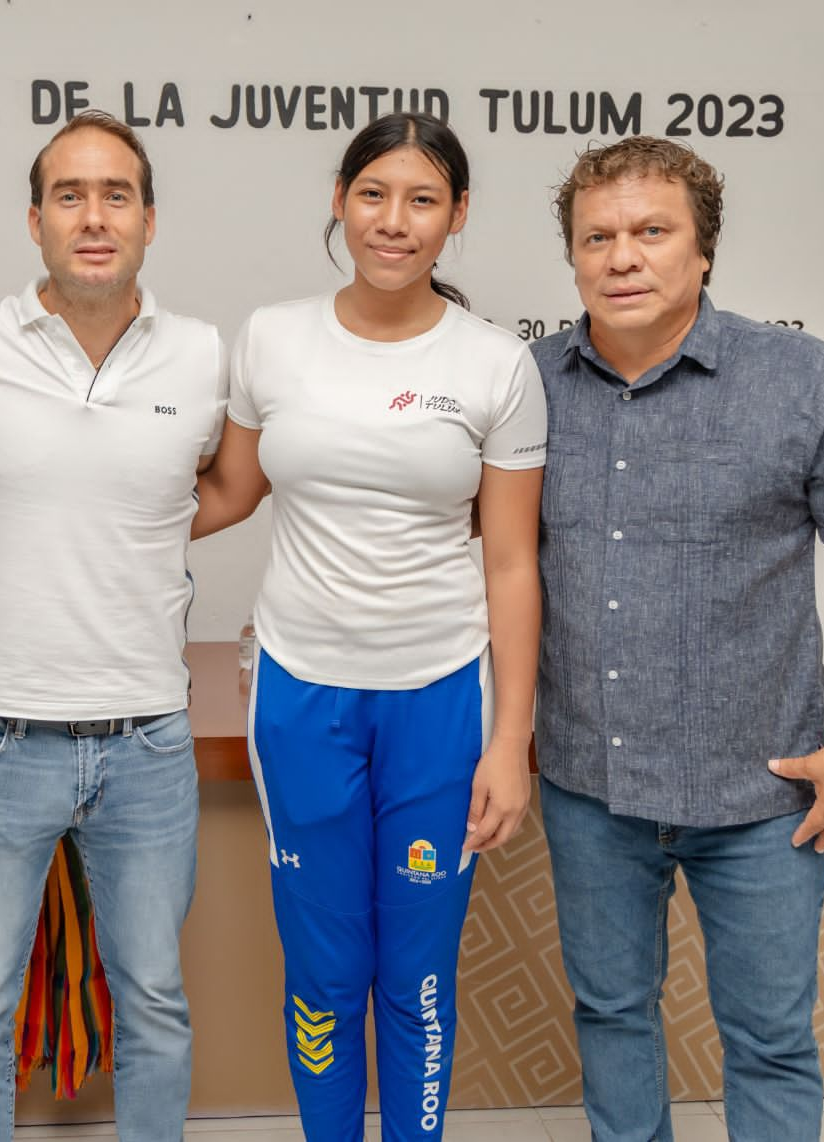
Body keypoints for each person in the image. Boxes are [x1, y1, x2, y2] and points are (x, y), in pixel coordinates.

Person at [531, 136, 824, 1142]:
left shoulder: (798, 377)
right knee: (613, 1016)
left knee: (769, 1036)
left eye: (651, 231)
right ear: (572, 257)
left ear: (702, 252)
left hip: (766, 788)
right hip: (592, 783)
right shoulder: (524, 387)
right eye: (598, 236)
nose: (622, 257)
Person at [192, 112, 546, 1142]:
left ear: (457, 216)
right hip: (302, 693)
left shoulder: (494, 364)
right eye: (373, 194)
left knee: (415, 973)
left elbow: (512, 559)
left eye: (423, 199)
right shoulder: (272, 336)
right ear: (340, 202)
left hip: (441, 694)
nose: (394, 222)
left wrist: (508, 740)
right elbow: (226, 493)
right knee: (325, 969)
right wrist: (85, 502)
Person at [0, 110, 226, 1141]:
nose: (93, 216)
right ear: (34, 219)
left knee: (154, 1000)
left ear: (149, 219)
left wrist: (121, 534)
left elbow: (218, 489)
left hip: (147, 738)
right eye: (69, 195)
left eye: (115, 195)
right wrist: (14, 549)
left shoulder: (200, 355)